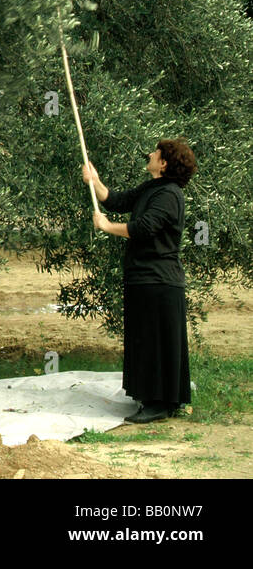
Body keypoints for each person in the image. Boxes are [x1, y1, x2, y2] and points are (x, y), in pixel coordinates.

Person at [83, 138, 197, 423]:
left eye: (155, 153)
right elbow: (117, 200)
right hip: (143, 277)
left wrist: (108, 227)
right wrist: (95, 181)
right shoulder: (153, 188)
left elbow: (144, 228)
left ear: (164, 163)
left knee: (156, 341)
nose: (150, 154)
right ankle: (150, 398)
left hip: (159, 280)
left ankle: (159, 404)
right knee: (145, 339)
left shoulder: (169, 194)